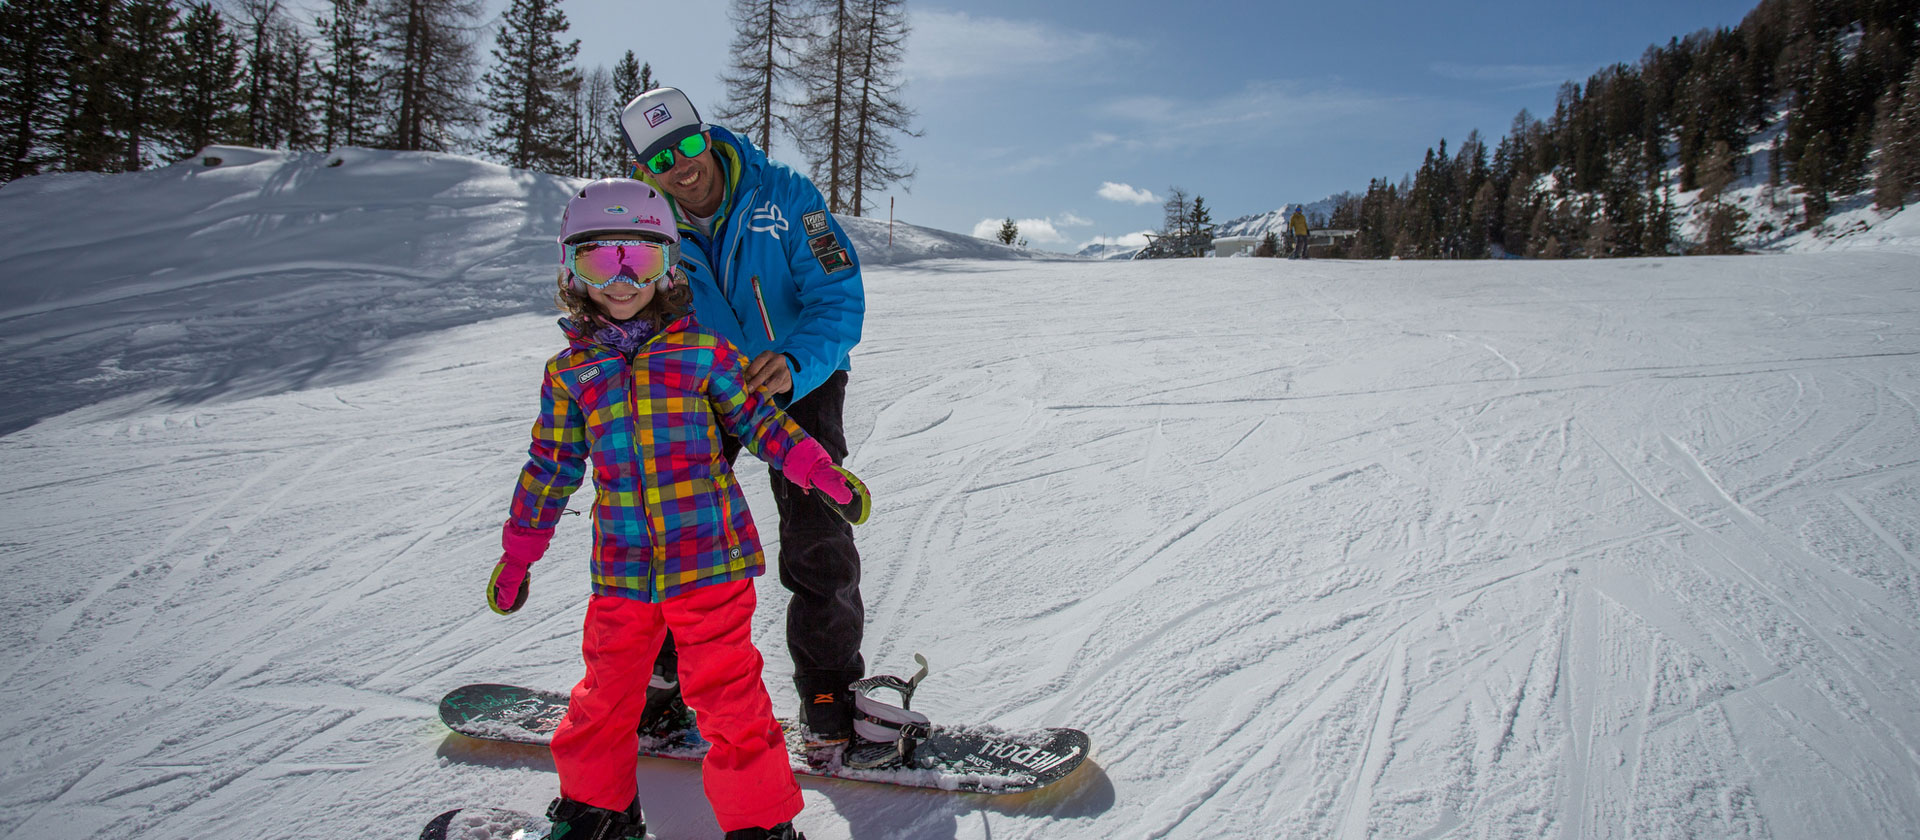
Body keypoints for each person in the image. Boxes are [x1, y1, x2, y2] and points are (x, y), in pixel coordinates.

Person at [486, 178, 872, 840]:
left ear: (670, 267)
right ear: (571, 271)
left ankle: (761, 825)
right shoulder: (570, 373)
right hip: (623, 574)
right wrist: (519, 554)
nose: (622, 278)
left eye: (641, 257)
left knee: (729, 700)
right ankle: (596, 813)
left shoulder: (702, 352)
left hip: (709, 566)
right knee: (605, 698)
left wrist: (818, 470)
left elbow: (763, 424)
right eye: (600, 259)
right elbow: (550, 469)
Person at [614, 86, 871, 753]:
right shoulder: (649, 230)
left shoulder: (785, 197)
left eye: (690, 144)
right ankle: (662, 680)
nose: (683, 166)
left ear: (709, 135)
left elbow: (838, 300)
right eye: (662, 159)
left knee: (815, 526)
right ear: (646, 171)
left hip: (798, 376)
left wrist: (792, 363)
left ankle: (826, 689)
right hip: (710, 384)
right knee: (674, 526)